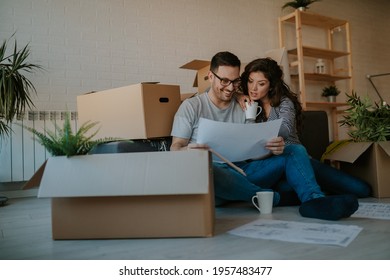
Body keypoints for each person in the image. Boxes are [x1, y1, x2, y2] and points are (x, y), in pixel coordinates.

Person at [170, 51, 358, 221]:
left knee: (294, 150)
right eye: (224, 81)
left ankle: (314, 202)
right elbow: (175, 148)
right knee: (210, 169)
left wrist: (271, 150)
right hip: (213, 176)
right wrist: (188, 150)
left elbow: (253, 152)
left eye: (235, 81)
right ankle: (269, 197)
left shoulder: (246, 106)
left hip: (246, 170)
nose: (230, 87)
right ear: (210, 76)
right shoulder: (191, 106)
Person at [237, 57, 371, 202]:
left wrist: (264, 133)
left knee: (361, 189)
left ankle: (314, 187)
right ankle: (314, 193)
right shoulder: (247, 105)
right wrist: (238, 95)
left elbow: (285, 128)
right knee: (283, 189)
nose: (253, 88)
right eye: (250, 81)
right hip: (272, 166)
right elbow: (217, 90)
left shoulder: (284, 102)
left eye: (261, 83)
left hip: (297, 158)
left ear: (271, 85)